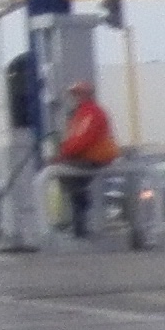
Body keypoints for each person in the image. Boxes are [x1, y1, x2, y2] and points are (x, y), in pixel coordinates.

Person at [53, 82, 118, 240]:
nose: (75, 97)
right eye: (74, 94)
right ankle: (77, 220)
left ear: (87, 94)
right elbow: (76, 138)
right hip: (87, 156)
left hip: (93, 157)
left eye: (78, 94)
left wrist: (62, 155)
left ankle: (79, 222)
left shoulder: (91, 112)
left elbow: (82, 139)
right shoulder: (81, 113)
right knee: (69, 180)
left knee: (68, 178)